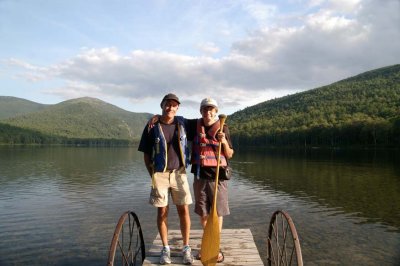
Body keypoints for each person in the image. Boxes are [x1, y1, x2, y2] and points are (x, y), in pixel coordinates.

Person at [138, 93, 194, 265]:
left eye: (174, 105)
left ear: (177, 108)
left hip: (179, 174)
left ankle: (186, 248)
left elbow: (205, 124)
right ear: (162, 106)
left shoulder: (183, 122)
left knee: (183, 210)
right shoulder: (152, 126)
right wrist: (152, 174)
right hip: (159, 175)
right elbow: (146, 154)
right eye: (167, 104)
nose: (170, 107)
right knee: (162, 211)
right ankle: (165, 248)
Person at [191, 98, 234, 263]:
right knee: (203, 213)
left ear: (216, 111)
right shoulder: (195, 126)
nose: (208, 112)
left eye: (211, 109)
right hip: (200, 176)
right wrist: (157, 118)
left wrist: (223, 141)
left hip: (218, 178)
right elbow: (174, 121)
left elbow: (229, 154)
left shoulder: (223, 128)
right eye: (204, 109)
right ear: (200, 111)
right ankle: (208, 243)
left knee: (217, 212)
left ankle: (215, 247)